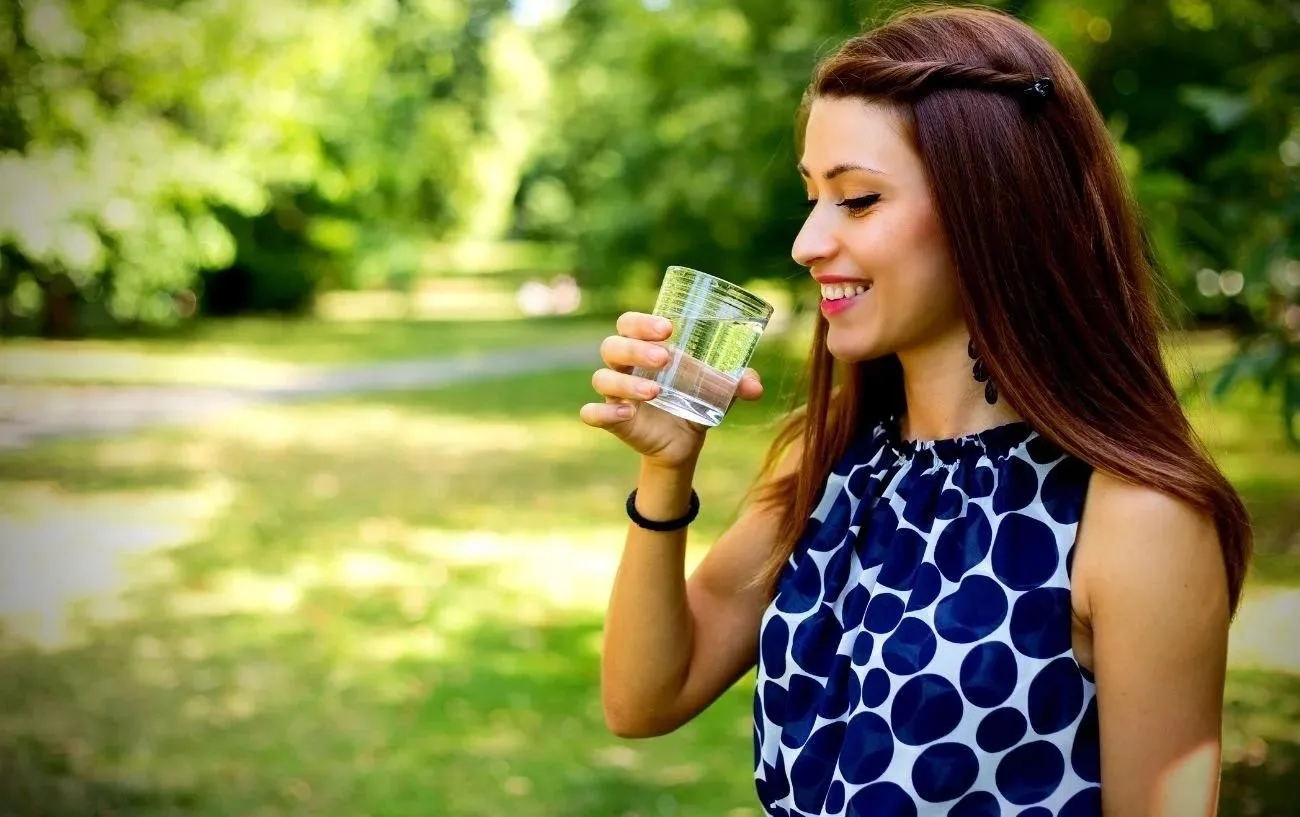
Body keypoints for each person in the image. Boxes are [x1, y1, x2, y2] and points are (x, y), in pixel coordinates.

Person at [579, 6, 1251, 816]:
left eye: (856, 199)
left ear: (992, 212)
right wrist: (665, 471)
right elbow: (643, 699)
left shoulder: (1138, 517)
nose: (806, 242)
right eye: (811, 196)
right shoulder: (832, 463)